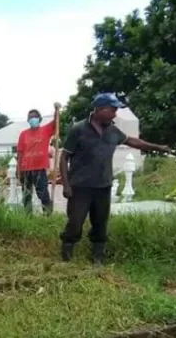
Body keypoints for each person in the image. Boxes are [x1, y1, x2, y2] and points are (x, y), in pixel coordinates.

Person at [59, 93, 170, 263]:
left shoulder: (112, 130)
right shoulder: (78, 129)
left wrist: (158, 147)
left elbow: (133, 142)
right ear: (99, 110)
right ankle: (67, 252)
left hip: (103, 186)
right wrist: (66, 185)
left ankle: (97, 256)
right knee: (75, 222)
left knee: (100, 223)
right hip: (80, 187)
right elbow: (64, 157)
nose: (115, 114)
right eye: (112, 110)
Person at [16, 103, 61, 215]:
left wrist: (56, 110)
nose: (32, 119)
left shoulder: (45, 130)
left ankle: (48, 215)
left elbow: (56, 121)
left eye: (35, 116)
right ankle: (28, 216)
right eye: (30, 117)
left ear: (39, 119)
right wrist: (19, 169)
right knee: (26, 195)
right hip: (26, 169)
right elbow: (20, 153)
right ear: (28, 120)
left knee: (43, 194)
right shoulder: (23, 134)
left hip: (40, 168)